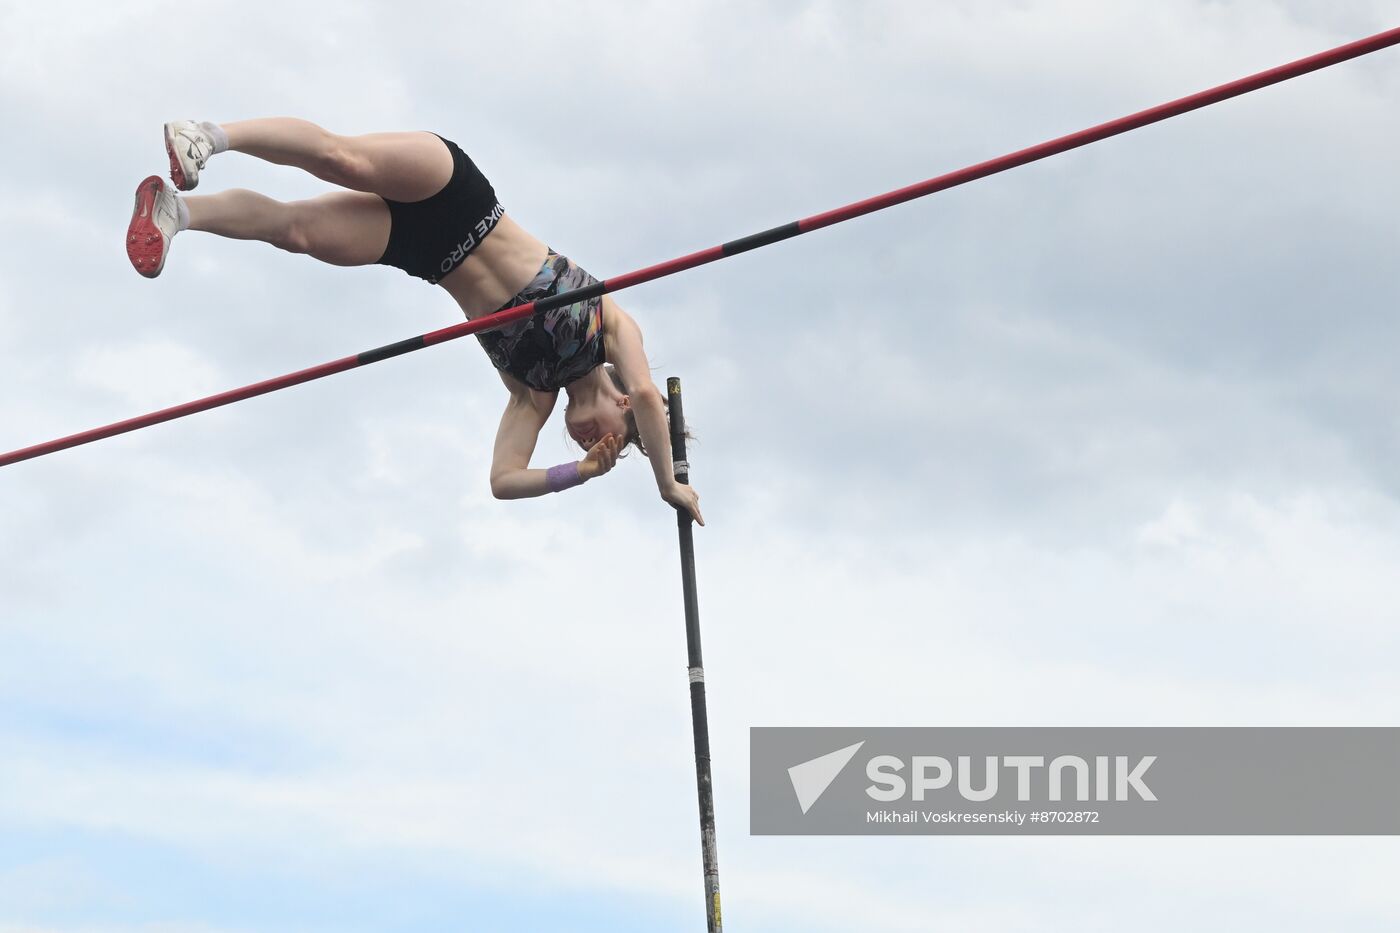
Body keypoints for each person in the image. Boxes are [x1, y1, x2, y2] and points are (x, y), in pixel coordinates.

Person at [126, 118, 702, 524]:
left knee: (295, 231)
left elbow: (503, 482)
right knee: (340, 158)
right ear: (622, 405)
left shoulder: (533, 395)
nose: (591, 440)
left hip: (426, 253)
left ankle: (176, 212)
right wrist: (668, 485)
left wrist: (579, 472)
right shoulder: (611, 324)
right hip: (461, 199)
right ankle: (209, 136)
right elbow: (652, 396)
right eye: (608, 435)